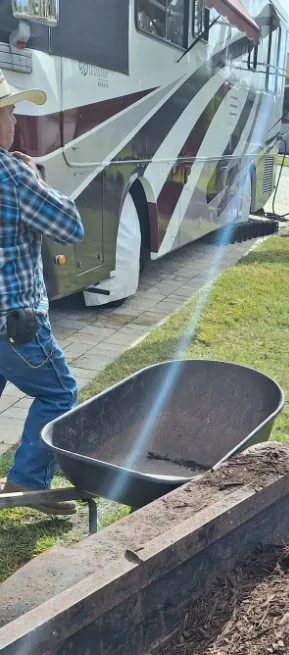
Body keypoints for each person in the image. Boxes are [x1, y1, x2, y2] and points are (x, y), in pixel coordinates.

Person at [0, 69, 84, 515]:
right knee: (60, 394)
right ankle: (28, 482)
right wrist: (35, 177)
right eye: (9, 111)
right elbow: (71, 228)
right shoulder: (12, 175)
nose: (14, 121)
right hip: (15, 322)